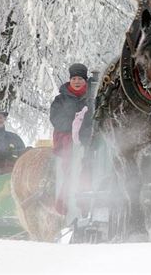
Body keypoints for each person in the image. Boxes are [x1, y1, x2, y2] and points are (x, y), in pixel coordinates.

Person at [49, 63, 94, 215]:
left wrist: (85, 131)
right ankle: (65, 199)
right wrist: (73, 126)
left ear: (85, 81)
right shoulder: (60, 100)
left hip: (88, 138)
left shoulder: (92, 97)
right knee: (69, 163)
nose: (76, 81)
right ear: (70, 80)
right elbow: (56, 119)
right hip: (66, 137)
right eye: (74, 78)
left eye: (80, 79)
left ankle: (87, 197)